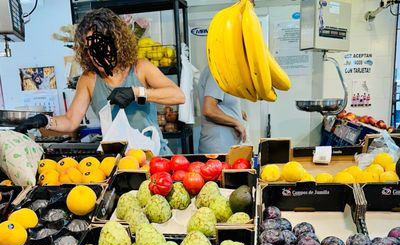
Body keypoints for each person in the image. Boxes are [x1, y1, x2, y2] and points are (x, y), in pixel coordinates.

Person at [15, 8, 185, 155]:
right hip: (119, 161)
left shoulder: (140, 67)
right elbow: (71, 120)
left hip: (153, 155)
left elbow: (178, 96)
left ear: (116, 43)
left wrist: (137, 92)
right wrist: (45, 121)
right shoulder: (89, 79)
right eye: (90, 49)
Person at [198, 65, 247, 154]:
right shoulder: (217, 71)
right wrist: (236, 122)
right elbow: (209, 109)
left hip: (225, 147)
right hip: (218, 148)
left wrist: (236, 111)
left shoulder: (223, 71)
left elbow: (221, 103)